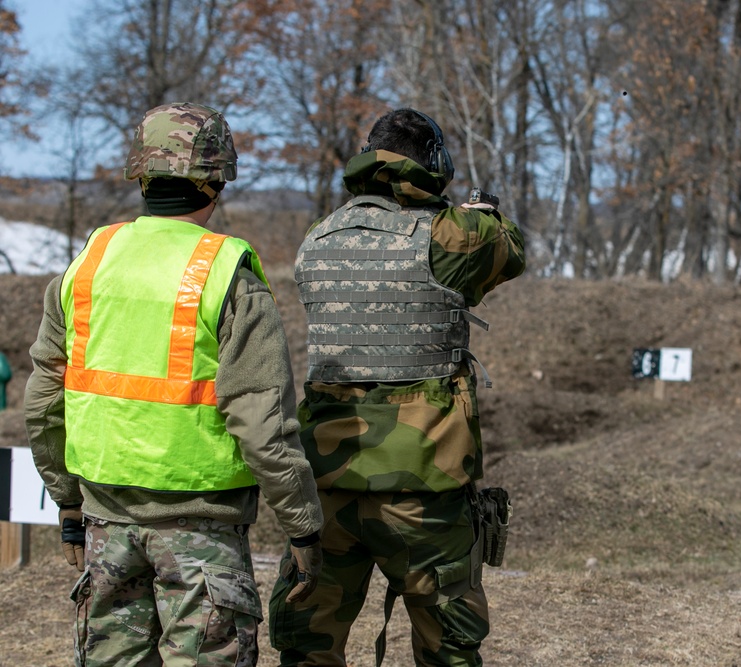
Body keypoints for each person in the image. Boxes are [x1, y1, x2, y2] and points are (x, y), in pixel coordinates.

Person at [23, 102, 324, 666]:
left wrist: (67, 501)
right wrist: (302, 527)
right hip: (202, 533)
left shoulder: (87, 264)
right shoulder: (227, 275)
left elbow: (43, 402)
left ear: (140, 175)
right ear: (217, 180)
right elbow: (263, 426)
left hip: (104, 519)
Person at [268, 108, 526, 667]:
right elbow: (512, 251)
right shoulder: (450, 232)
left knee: (307, 645)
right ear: (431, 166)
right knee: (449, 649)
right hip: (425, 489)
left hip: (329, 484)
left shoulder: (318, 238)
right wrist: (481, 213)